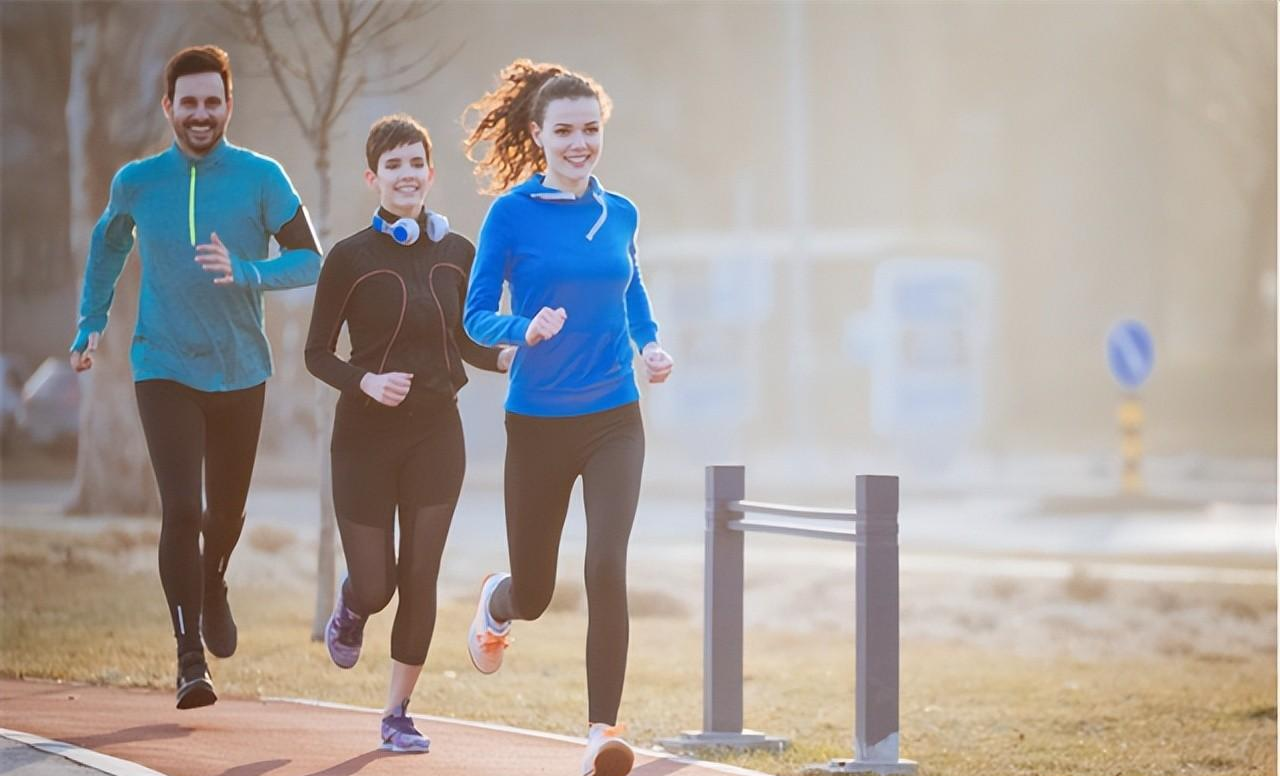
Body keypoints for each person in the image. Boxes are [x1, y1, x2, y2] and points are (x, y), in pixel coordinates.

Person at [69, 45, 321, 710]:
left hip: (241, 368)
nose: (201, 114)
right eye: (189, 103)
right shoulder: (138, 181)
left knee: (226, 514)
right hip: (164, 364)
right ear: (169, 107)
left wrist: (248, 272)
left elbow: (310, 260)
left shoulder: (262, 177)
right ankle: (189, 660)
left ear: (229, 106)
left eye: (213, 102)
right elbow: (108, 244)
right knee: (182, 508)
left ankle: (214, 581)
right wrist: (91, 320)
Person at [460, 59, 674, 776]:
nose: (580, 143)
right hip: (538, 422)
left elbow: (630, 285)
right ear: (538, 135)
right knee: (538, 592)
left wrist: (648, 343)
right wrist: (523, 329)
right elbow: (475, 315)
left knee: (607, 564)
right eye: (565, 131)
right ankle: (499, 601)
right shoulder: (510, 214)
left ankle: (601, 732)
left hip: (614, 415)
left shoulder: (621, 212)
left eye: (590, 129)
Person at [304, 114, 514, 753]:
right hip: (364, 439)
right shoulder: (349, 258)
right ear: (373, 178)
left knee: (420, 575)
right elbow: (316, 354)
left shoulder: (458, 254)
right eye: (393, 165)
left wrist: (507, 355)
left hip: (436, 434)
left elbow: (469, 339)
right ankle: (352, 604)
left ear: (430, 172)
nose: (406, 175)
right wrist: (365, 382)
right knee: (379, 585)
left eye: (415, 163)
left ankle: (397, 712)